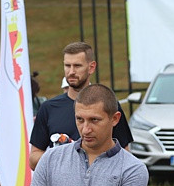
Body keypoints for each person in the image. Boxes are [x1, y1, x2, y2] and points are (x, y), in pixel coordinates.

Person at [28, 42, 133, 171]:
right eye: (67, 65)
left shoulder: (109, 105)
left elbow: (125, 154)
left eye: (77, 66)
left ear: (91, 67)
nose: (71, 71)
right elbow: (33, 159)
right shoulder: (48, 108)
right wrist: (62, 156)